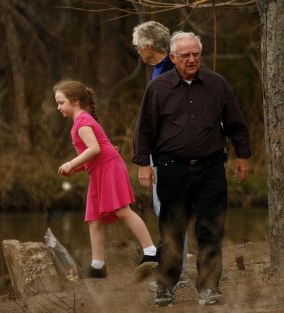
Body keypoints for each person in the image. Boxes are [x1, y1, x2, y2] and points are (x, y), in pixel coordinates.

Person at [133, 31, 250, 306]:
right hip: (172, 169)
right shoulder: (158, 88)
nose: (191, 59)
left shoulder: (216, 84)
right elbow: (145, 129)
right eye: (185, 55)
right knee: (172, 230)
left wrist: (242, 156)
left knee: (211, 229)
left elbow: (236, 123)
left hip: (211, 169)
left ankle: (209, 288)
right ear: (172, 57)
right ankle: (165, 286)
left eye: (195, 54)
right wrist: (142, 165)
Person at [54, 80, 158, 278]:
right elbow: (93, 155)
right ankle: (98, 266)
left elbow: (95, 149)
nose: (58, 107)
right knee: (94, 218)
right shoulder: (80, 122)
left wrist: (70, 163)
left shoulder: (83, 122)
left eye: (61, 102)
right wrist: (74, 170)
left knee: (122, 210)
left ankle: (151, 252)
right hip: (99, 170)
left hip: (110, 168)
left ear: (75, 101)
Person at [132, 20, 190, 286]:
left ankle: (174, 274)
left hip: (169, 157)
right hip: (164, 156)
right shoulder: (160, 71)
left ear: (147, 46)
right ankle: (178, 269)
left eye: (137, 47)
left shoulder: (168, 71)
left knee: (169, 212)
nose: (137, 52)